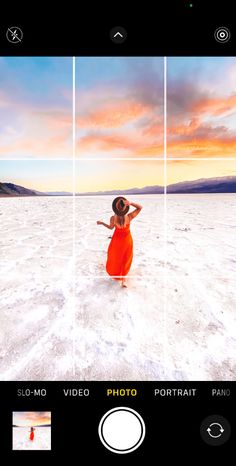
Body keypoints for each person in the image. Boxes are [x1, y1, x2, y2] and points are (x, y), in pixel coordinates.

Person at [97, 197, 142, 287]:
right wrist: (131, 203)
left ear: (115, 208)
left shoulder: (113, 218)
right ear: (125, 208)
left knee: (115, 256)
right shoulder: (129, 217)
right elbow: (140, 207)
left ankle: (115, 272)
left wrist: (102, 223)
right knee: (125, 258)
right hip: (127, 240)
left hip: (117, 241)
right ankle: (124, 280)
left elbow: (110, 228)